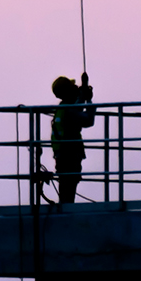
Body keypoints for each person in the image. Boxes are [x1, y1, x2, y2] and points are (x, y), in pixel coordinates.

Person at [49, 73, 95, 205]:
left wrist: (82, 95)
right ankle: (66, 207)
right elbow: (87, 120)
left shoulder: (63, 108)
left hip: (63, 155)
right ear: (68, 91)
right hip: (69, 155)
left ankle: (65, 206)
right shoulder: (68, 110)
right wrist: (90, 102)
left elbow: (77, 109)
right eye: (73, 86)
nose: (75, 87)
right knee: (69, 183)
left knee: (66, 184)